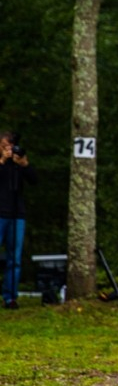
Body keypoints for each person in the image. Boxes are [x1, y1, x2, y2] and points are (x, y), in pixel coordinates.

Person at [0, 132, 36, 309]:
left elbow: (34, 181)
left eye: (10, 146)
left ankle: (10, 297)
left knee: (15, 258)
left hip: (17, 215)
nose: (8, 150)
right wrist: (2, 161)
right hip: (0, 214)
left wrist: (24, 165)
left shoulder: (18, 164)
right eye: (4, 146)